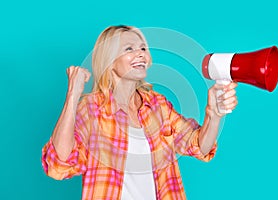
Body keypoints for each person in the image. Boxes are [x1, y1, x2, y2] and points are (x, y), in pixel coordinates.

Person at [42, 25, 238, 200]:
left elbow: (200, 147)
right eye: (129, 49)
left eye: (143, 48)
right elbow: (58, 165)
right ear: (109, 61)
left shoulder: (158, 105)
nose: (141, 54)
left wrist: (214, 114)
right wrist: (73, 95)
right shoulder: (93, 108)